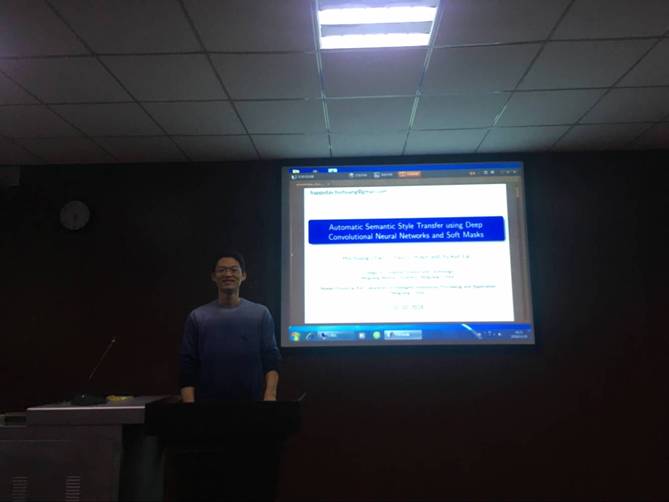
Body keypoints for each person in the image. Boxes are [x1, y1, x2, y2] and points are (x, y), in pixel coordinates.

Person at [179, 251, 280, 402]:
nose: (228, 274)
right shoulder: (197, 317)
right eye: (222, 270)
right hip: (207, 405)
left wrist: (270, 396)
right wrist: (189, 404)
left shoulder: (261, 314)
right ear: (213, 276)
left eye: (234, 270)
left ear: (243, 275)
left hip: (253, 404)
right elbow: (188, 365)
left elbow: (271, 358)